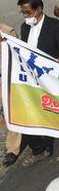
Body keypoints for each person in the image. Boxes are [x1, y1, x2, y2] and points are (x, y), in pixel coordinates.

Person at [17, 0, 59, 166]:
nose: (25, 16)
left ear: (39, 9)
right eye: (23, 13)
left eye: (27, 12)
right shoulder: (25, 28)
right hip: (33, 81)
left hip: (52, 80)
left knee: (58, 113)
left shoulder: (56, 26)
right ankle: (39, 149)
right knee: (25, 114)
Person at [0, 23, 21, 167]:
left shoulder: (8, 32)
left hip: (5, 79)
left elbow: (15, 56)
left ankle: (12, 149)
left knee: (10, 113)